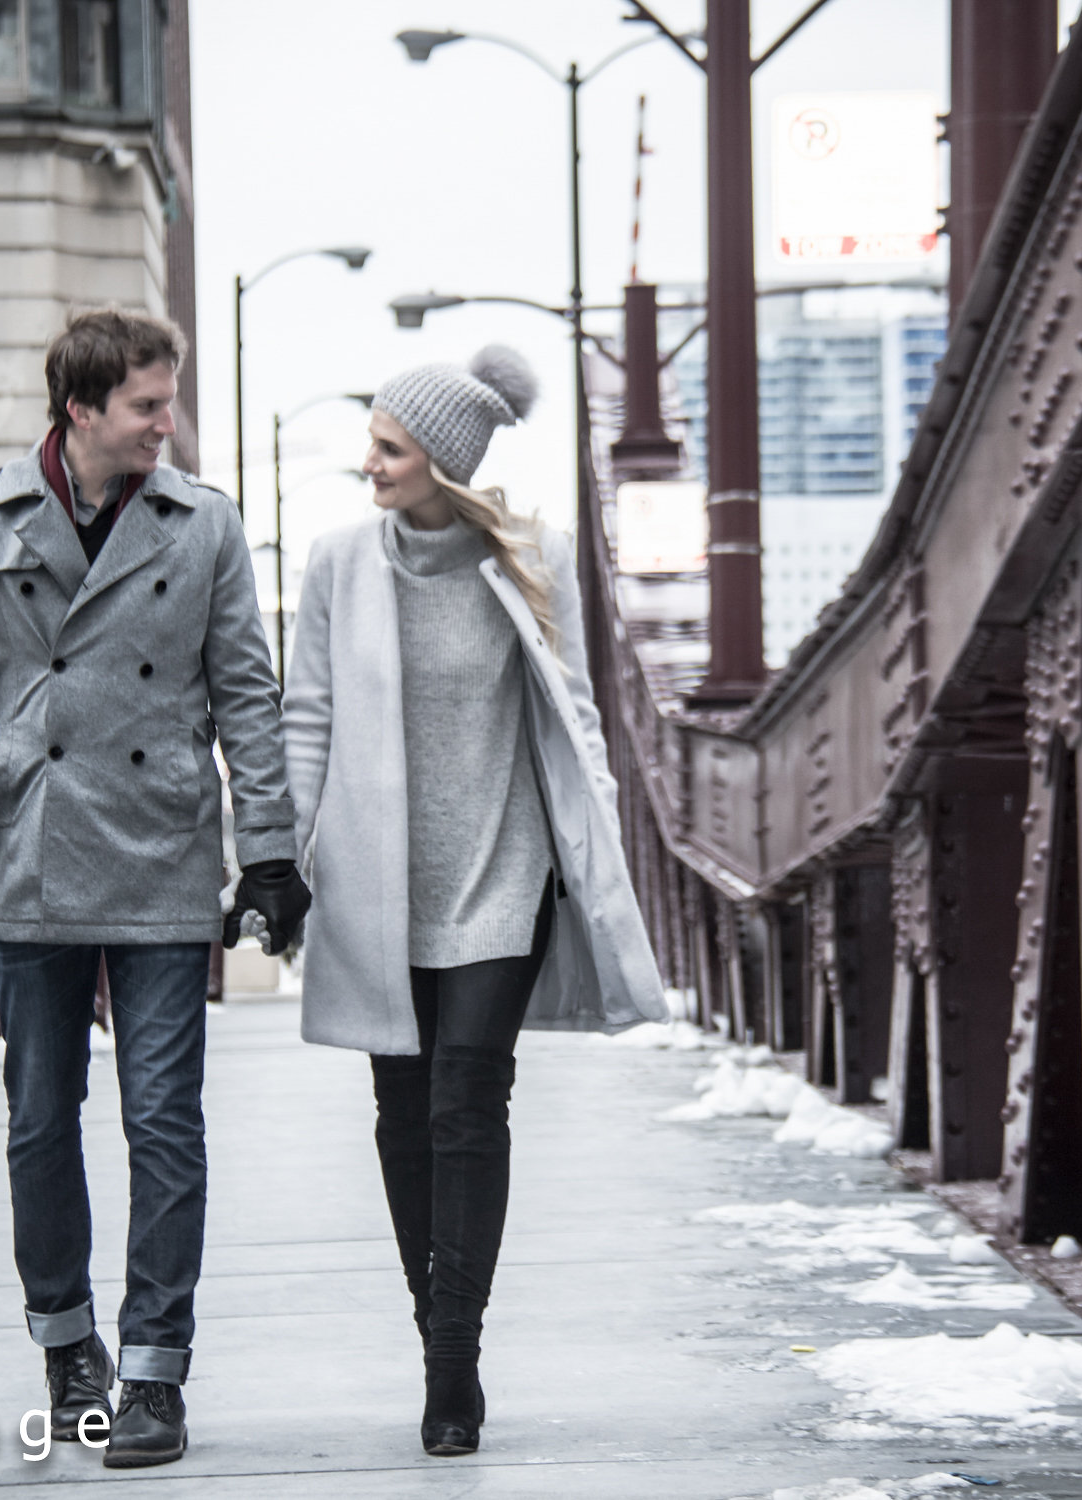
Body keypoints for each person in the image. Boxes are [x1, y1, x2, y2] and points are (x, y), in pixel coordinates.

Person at [0, 308, 311, 1470]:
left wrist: (269, 854)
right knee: (40, 1123)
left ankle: (154, 1372)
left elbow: (248, 699)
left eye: (168, 401)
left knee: (163, 1122)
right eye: (145, 406)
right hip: (33, 849)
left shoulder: (205, 526)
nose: (164, 423)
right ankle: (66, 1346)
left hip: (165, 852)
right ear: (79, 410)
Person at [282, 345, 666, 1457]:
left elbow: (576, 711)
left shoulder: (530, 557)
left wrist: (595, 861)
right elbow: (306, 716)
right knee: (403, 1119)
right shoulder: (340, 564)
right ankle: (433, 1331)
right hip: (378, 885)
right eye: (373, 443)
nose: (370, 466)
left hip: (503, 876)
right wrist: (274, 856)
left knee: (465, 1105)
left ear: (444, 464)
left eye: (390, 449)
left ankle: (455, 1364)